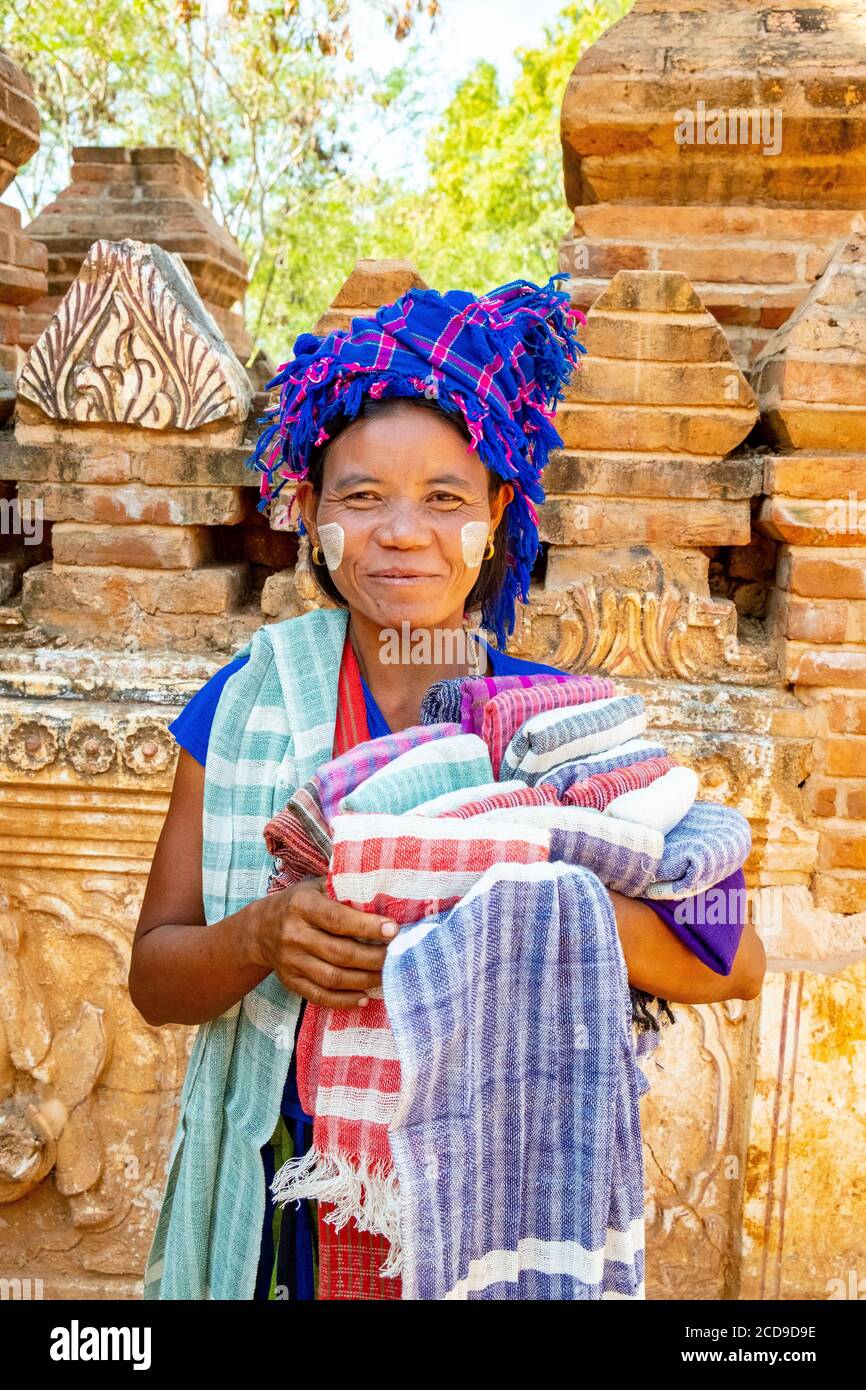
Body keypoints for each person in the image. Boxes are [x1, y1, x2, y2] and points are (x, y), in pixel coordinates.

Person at [130, 274, 765, 1301]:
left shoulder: (569, 726)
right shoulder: (243, 707)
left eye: (444, 497)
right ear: (308, 508)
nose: (400, 532)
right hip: (293, 1204)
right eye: (361, 496)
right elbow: (155, 977)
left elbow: (736, 955)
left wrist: (540, 910)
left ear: (497, 512)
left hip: (497, 1208)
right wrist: (260, 936)